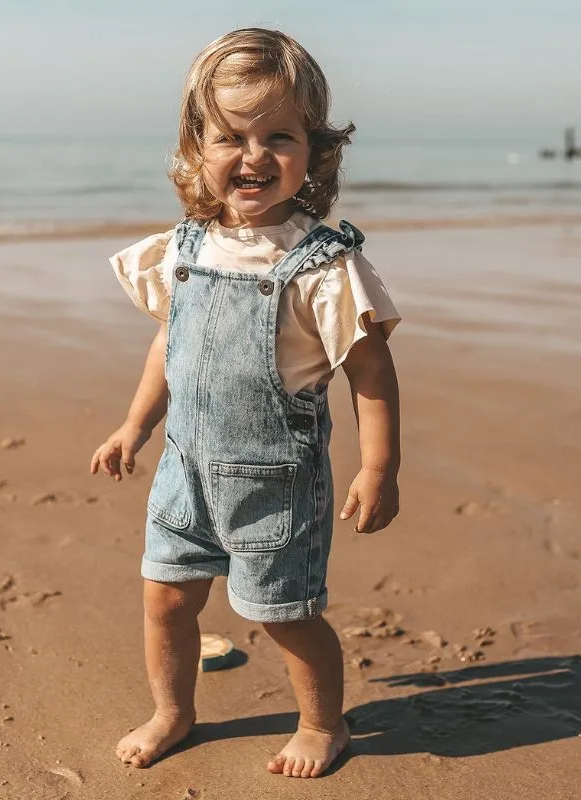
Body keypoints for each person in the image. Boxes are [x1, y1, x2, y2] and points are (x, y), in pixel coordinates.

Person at [90, 27, 401, 780]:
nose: (254, 155)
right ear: (197, 145)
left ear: (315, 152)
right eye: (231, 135)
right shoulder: (185, 248)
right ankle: (173, 710)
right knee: (165, 598)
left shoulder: (321, 267)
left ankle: (323, 723)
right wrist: (136, 424)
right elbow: (173, 344)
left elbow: (371, 371)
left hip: (274, 482)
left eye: (280, 136)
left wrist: (378, 467)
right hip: (183, 471)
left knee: (280, 612)